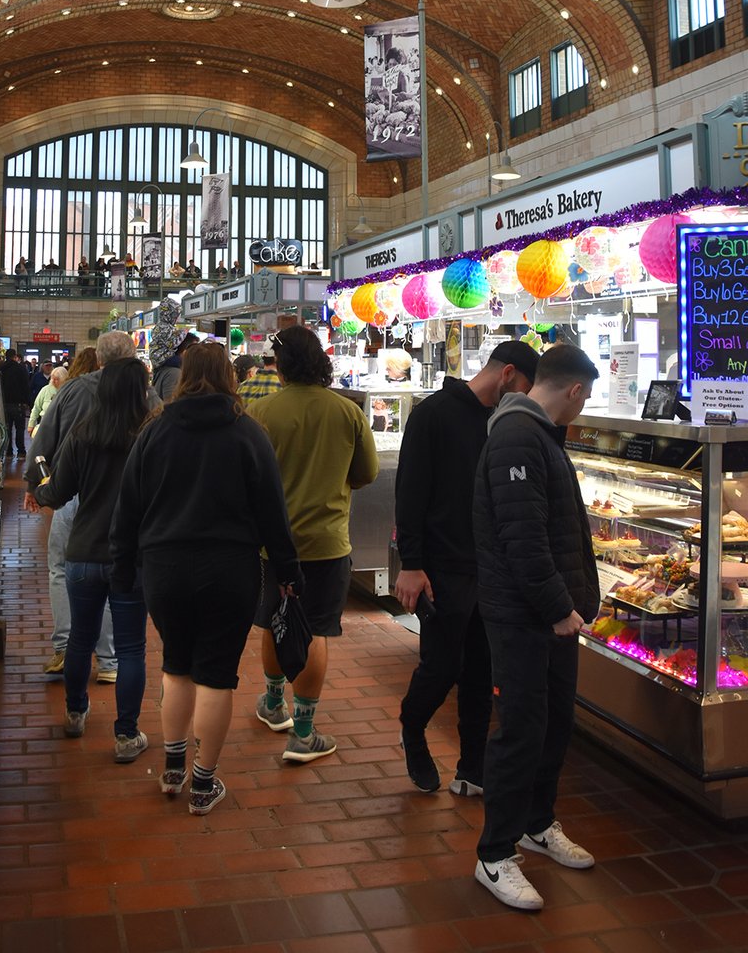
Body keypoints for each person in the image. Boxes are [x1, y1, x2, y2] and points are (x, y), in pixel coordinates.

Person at [110, 342, 300, 815]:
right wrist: (287, 570)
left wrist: (122, 565)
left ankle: (172, 768)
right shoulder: (248, 434)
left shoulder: (153, 432)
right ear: (230, 377)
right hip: (229, 570)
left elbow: (127, 508)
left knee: (176, 665)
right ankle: (202, 784)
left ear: (183, 376)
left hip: (164, 568)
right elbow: (273, 512)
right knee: (217, 674)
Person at [472, 344, 601, 912]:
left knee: (554, 724)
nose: (582, 407)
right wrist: (556, 606)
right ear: (574, 391)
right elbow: (522, 539)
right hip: (525, 616)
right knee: (521, 730)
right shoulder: (518, 436)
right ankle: (494, 854)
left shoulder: (539, 434)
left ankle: (537, 823)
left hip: (552, 616)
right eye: (586, 398)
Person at [393, 341, 540, 796]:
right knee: (441, 667)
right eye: (524, 389)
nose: (525, 400)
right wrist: (411, 565)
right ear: (508, 374)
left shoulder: (506, 423)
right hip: (442, 568)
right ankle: (412, 729)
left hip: (492, 569)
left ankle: (472, 769)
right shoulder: (433, 414)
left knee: (481, 671)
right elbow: (410, 491)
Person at [250, 326, 378, 763]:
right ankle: (303, 732)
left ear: (281, 366)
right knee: (317, 630)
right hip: (327, 542)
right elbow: (367, 473)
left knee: (272, 619)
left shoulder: (262, 411)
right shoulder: (346, 412)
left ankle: (272, 704)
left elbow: (249, 477)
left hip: (272, 544)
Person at [30, 359, 152, 759]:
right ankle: (125, 735)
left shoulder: (84, 433)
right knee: (131, 648)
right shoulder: (151, 435)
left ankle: (74, 713)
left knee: (81, 638)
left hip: (83, 553)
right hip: (132, 557)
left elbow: (59, 492)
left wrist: (41, 491)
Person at [0, 348, 31, 458]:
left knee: (7, 428)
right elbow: (26, 387)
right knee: (20, 429)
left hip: (4, 404)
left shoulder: (0, 369)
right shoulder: (21, 369)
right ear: (15, 356)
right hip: (18, 405)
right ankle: (21, 451)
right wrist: (28, 402)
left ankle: (8, 451)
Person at [28, 364, 67, 438]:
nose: (54, 381)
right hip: (45, 427)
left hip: (62, 428)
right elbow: (36, 408)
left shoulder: (68, 391)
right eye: (53, 378)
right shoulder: (45, 390)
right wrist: (31, 425)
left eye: (57, 379)